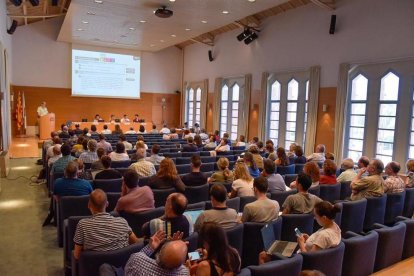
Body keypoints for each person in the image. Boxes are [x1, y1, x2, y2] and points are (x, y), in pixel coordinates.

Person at [73, 189, 139, 259]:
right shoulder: (122, 222)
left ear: (89, 205)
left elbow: (77, 255)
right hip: (120, 267)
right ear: (107, 204)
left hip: (93, 268)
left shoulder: (82, 225)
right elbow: (135, 242)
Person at [125, 230, 189, 276]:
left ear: (159, 251)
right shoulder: (184, 273)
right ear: (182, 264)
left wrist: (150, 248)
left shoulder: (136, 260)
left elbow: (127, 270)